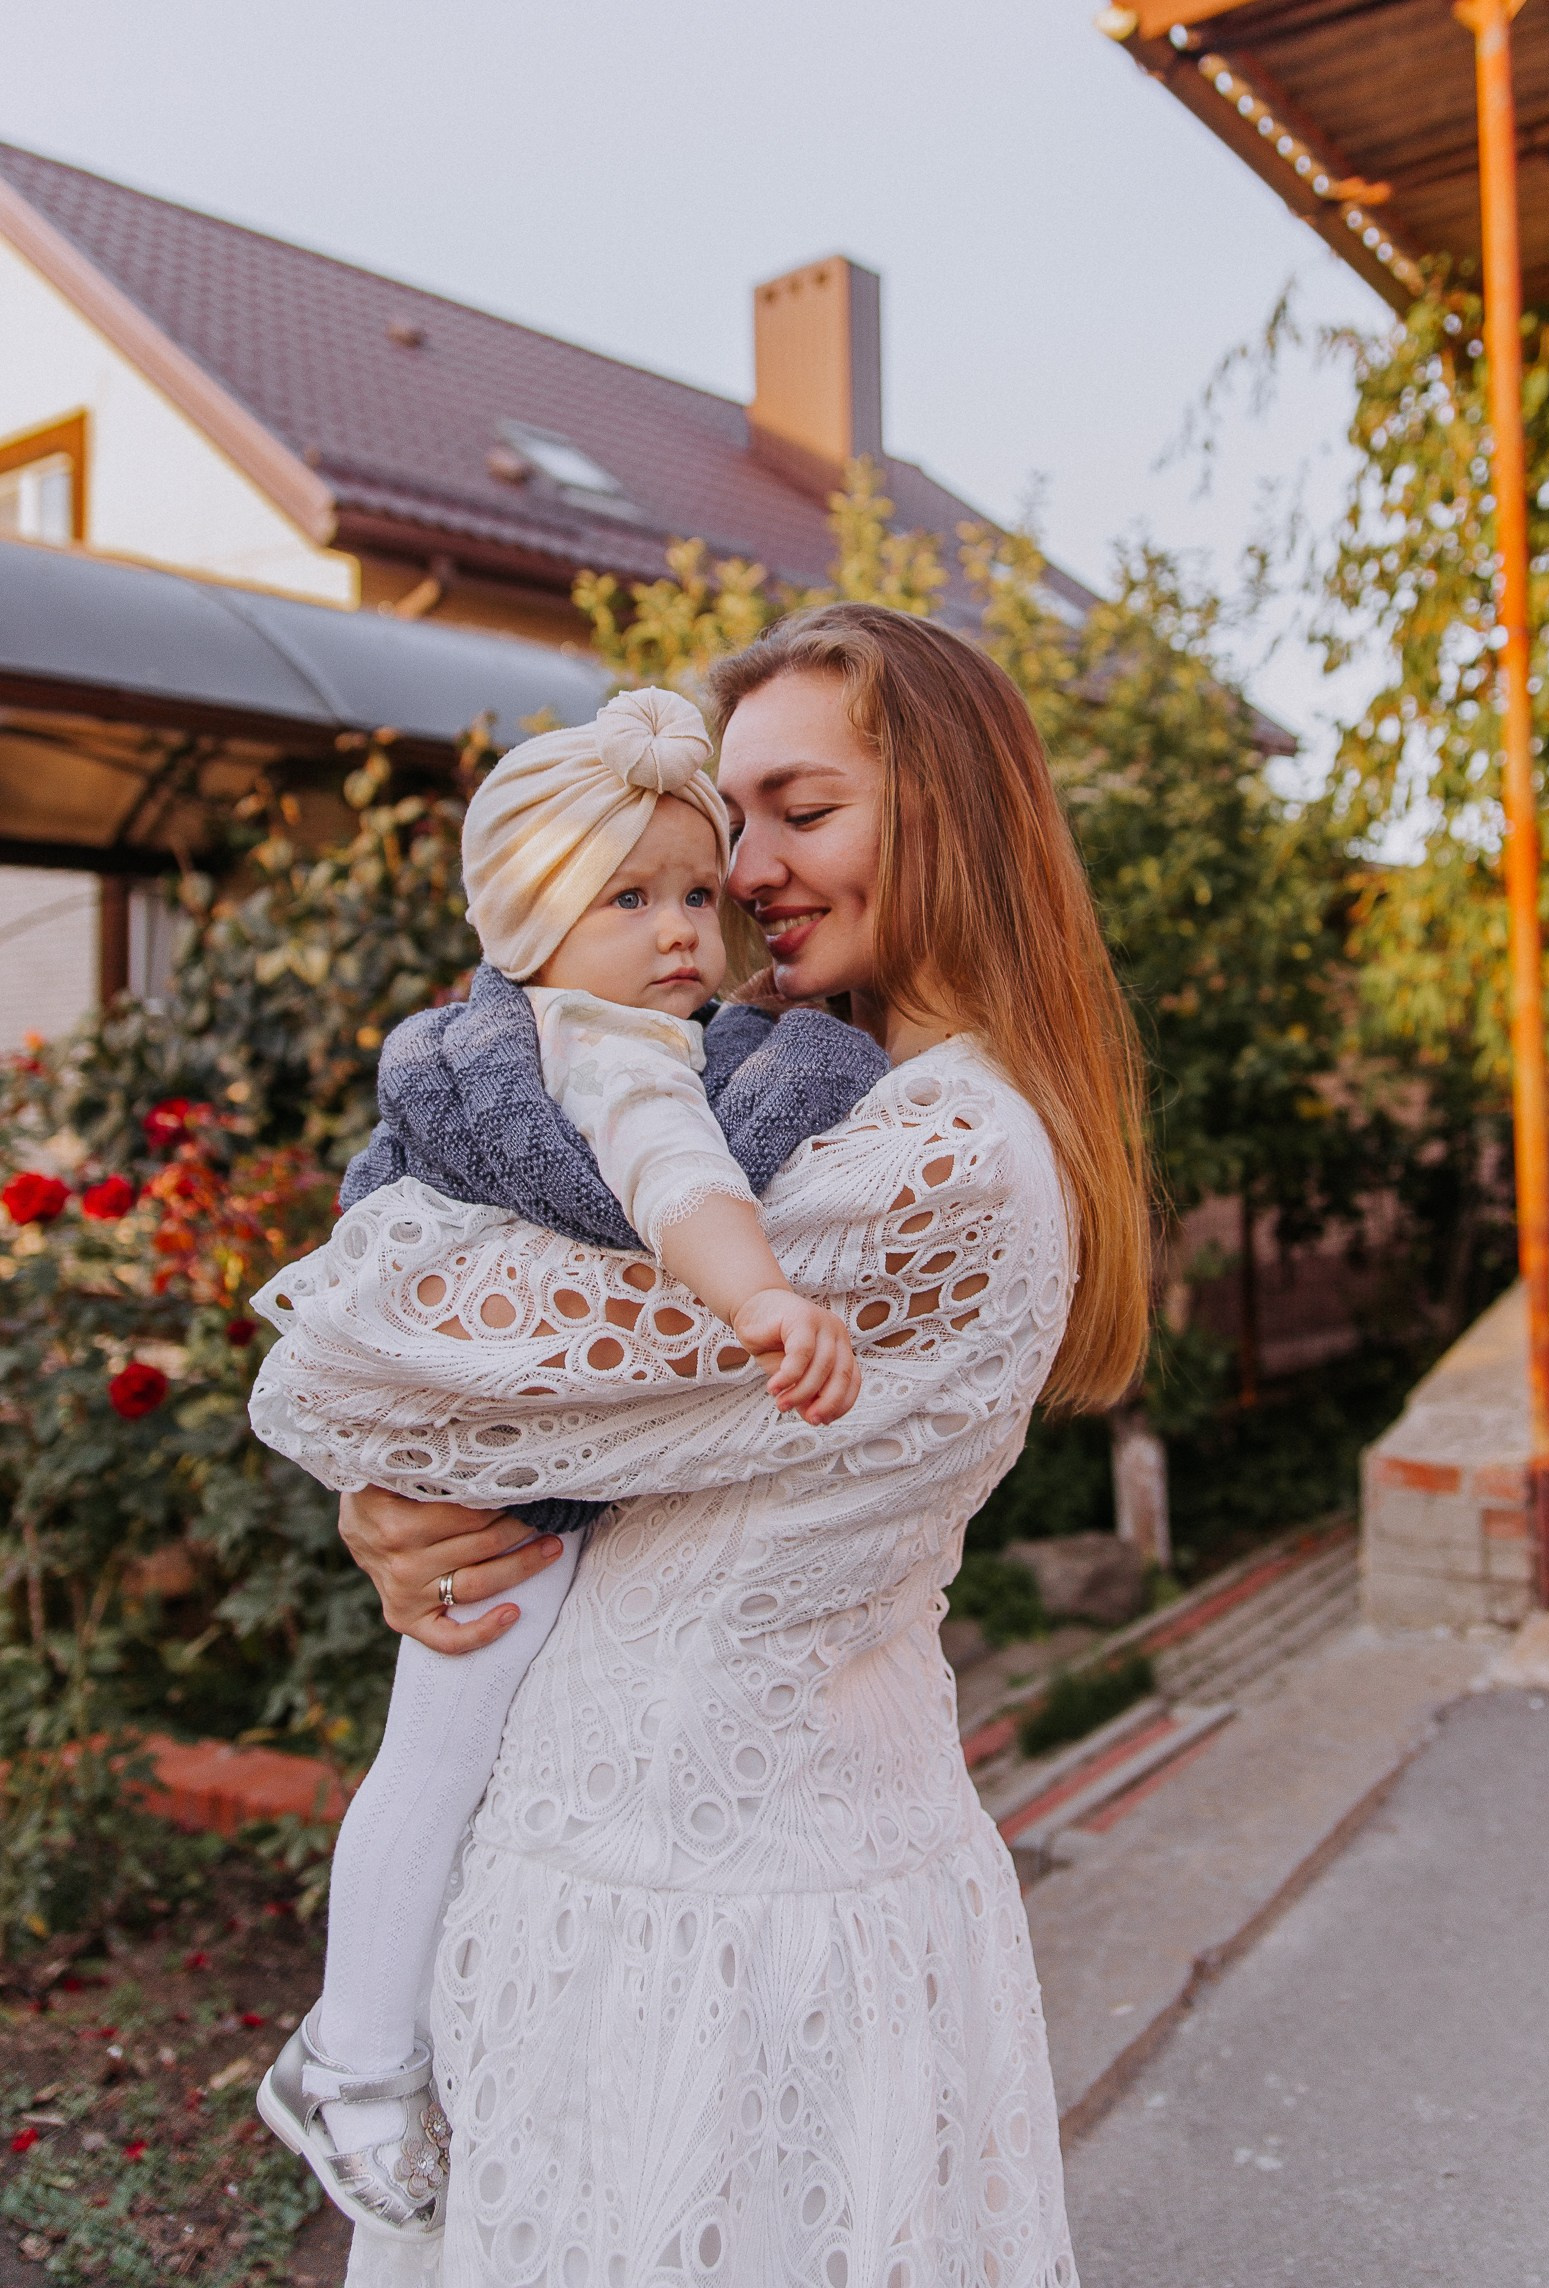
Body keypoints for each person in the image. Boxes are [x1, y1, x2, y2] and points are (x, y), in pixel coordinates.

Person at [309, 605, 1149, 2288]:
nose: (747, 865)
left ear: (955, 818)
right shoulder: (803, 1089)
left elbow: (379, 1338)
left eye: (801, 809)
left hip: (719, 1930)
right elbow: (482, 1379)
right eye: (734, 821)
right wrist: (390, 1498)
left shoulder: (935, 1161)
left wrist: (390, 1469)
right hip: (645, 1891)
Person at [250, 687, 882, 2235]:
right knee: (445, 1748)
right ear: (531, 921)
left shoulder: (527, 1035)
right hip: (503, 1492)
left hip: (485, 1459)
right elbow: (675, 1188)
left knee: (444, 1757)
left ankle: (366, 2043)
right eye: (630, 899)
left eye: (690, 891)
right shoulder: (605, 1052)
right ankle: (354, 2057)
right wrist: (763, 1300)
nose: (687, 929)